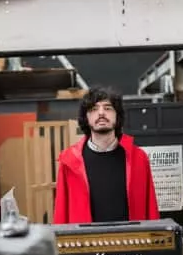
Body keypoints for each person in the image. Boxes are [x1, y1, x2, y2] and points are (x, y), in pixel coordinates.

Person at [53, 87, 159, 224]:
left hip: (132, 237)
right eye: (94, 109)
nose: (101, 113)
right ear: (86, 118)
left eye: (108, 108)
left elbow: (151, 209)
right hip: (85, 237)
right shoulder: (69, 161)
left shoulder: (139, 158)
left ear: (117, 115)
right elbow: (61, 213)